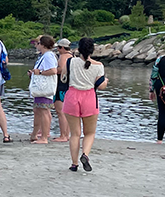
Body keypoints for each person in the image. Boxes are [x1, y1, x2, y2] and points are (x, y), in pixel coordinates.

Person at [62, 37, 108, 171]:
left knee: (75, 133)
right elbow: (101, 86)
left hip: (72, 97)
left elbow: (63, 78)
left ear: (78, 49)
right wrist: (105, 81)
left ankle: (74, 163)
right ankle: (85, 154)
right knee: (89, 132)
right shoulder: (99, 66)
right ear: (92, 50)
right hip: (89, 97)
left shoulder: (70, 61)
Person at [28, 36, 59, 144]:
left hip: (44, 88)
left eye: (39, 43)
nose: (37, 45)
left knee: (44, 111)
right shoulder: (44, 56)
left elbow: (53, 71)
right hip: (41, 88)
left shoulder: (48, 56)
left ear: (43, 45)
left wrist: (39, 73)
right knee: (38, 110)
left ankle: (44, 137)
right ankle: (35, 134)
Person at [51, 38, 73, 142]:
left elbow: (62, 70)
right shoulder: (73, 57)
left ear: (64, 48)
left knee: (60, 111)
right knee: (66, 112)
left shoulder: (64, 57)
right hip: (68, 86)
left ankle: (63, 135)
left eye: (59, 48)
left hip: (61, 86)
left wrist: (53, 70)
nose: (58, 50)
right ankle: (66, 135)